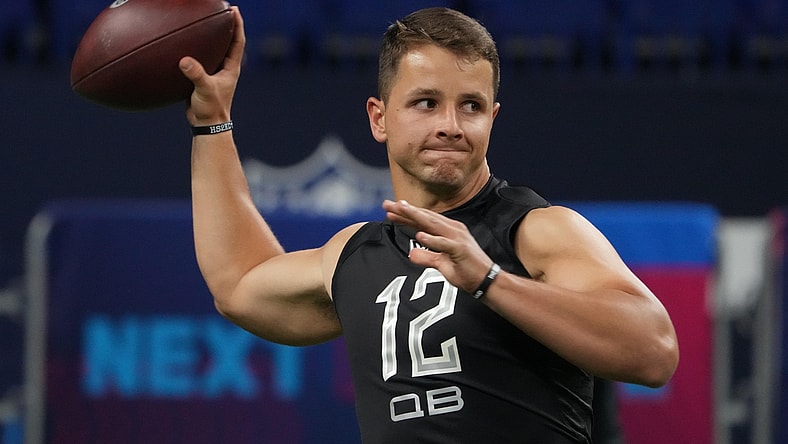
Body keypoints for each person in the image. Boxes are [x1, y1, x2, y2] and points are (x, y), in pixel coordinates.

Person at [179, 7, 678, 443]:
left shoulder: (534, 231)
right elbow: (238, 283)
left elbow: (655, 352)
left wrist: (489, 280)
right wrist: (212, 123)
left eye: (471, 106)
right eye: (426, 102)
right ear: (379, 118)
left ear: (493, 119)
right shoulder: (354, 254)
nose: (451, 125)